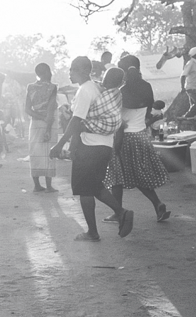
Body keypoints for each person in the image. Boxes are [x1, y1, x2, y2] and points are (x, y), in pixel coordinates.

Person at [50, 57, 134, 241]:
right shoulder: (97, 87)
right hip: (103, 145)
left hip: (90, 146)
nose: (70, 73)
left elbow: (76, 121)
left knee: (85, 190)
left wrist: (59, 144)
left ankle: (97, 229)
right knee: (94, 186)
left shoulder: (84, 90)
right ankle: (119, 215)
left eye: (72, 69)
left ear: (81, 70)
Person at [102, 55, 172, 224]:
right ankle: (156, 204)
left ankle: (119, 211)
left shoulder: (122, 92)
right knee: (138, 175)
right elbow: (148, 112)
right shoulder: (147, 87)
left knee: (118, 175)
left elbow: (118, 121)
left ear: (124, 72)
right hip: (141, 136)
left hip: (124, 138)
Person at [26, 63, 58, 193]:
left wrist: (39, 117)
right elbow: (50, 109)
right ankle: (49, 186)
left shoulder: (30, 87)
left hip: (35, 124)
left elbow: (27, 109)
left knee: (35, 153)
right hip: (48, 122)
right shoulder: (52, 88)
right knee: (49, 153)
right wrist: (48, 127)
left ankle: (37, 185)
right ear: (47, 72)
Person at [181, 46, 196, 118]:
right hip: (191, 88)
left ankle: (190, 119)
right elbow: (183, 76)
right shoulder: (190, 63)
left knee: (193, 105)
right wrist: (182, 88)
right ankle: (187, 116)